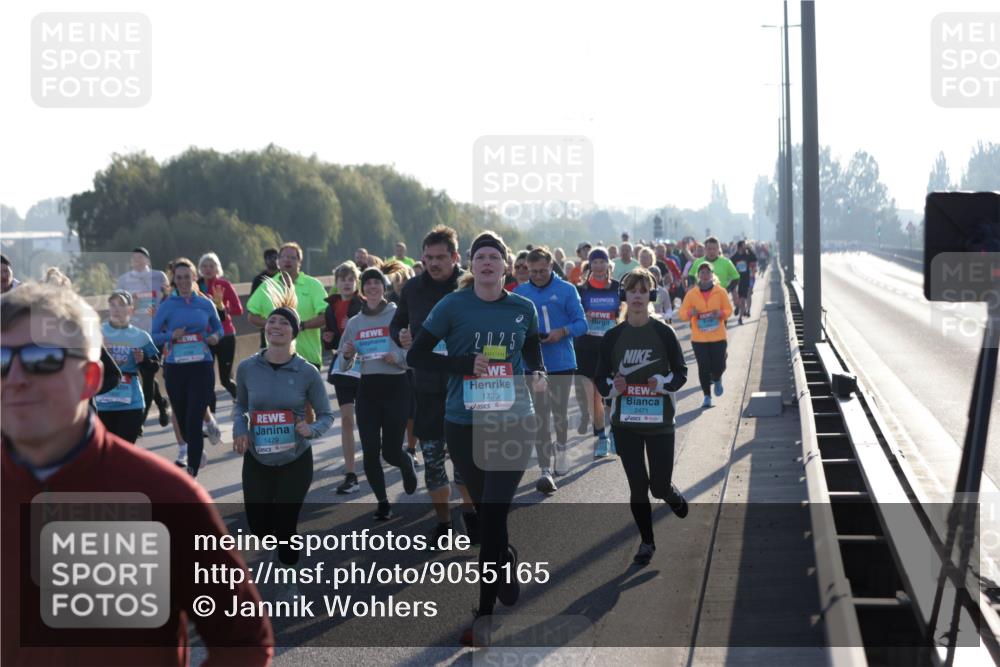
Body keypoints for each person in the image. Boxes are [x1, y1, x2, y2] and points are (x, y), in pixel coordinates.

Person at [1, 282, 273, 665]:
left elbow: (242, 641)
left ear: (90, 379)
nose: (14, 378)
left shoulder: (165, 497)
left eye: (40, 359)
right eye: (0, 360)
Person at [408, 231, 546, 647]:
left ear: (507, 265)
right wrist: (464, 364)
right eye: (480, 257)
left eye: (494, 257)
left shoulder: (523, 307)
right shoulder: (453, 305)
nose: (487, 263)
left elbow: (532, 348)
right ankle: (503, 558)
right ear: (471, 265)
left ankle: (483, 615)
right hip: (464, 422)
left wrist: (537, 371)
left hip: (513, 421)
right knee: (488, 519)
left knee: (495, 512)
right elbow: (417, 356)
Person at [233, 276, 334, 576]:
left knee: (286, 526)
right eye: (272, 322)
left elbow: (327, 414)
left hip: (295, 459)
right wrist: (240, 429)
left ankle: (290, 580)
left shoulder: (306, 372)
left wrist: (311, 430)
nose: (275, 326)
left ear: (294, 332)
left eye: (283, 323)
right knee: (260, 527)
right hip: (258, 458)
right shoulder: (248, 368)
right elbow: (240, 405)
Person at [391, 225, 479, 547]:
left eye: (441, 257)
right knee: (432, 461)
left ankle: (471, 516)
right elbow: (398, 321)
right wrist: (399, 335)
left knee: (465, 464)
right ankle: (444, 523)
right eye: (428, 257)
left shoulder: (471, 287)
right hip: (426, 387)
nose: (434, 263)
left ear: (456, 257)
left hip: (466, 388)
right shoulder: (413, 289)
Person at [594, 268, 689, 566]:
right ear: (624, 296)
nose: (637, 296)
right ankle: (647, 542)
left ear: (651, 294)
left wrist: (663, 383)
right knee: (637, 486)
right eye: (632, 291)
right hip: (626, 425)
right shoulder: (612, 336)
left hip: (660, 423)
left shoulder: (664, 332)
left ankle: (669, 493)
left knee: (657, 487)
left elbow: (681, 372)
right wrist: (613, 388)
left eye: (642, 291)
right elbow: (600, 378)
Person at [338, 268, 418, 520]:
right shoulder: (354, 323)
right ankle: (383, 502)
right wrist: (348, 354)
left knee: (390, 452)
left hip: (396, 388)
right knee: (370, 450)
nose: (373, 287)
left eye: (377, 283)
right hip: (368, 390)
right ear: (362, 289)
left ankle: (405, 463)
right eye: (368, 283)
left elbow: (413, 354)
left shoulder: (397, 315)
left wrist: (399, 358)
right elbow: (342, 364)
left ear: (384, 287)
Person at [514, 246, 587, 492]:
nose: (537, 275)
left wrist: (562, 331)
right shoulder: (520, 293)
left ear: (551, 267)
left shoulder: (567, 289)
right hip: (533, 364)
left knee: (559, 413)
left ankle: (563, 450)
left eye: (542, 270)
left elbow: (582, 323)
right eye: (532, 271)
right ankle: (545, 469)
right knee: (540, 417)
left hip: (562, 362)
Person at [151, 257, 224, 476]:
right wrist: (170, 335)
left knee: (194, 417)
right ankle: (195, 447)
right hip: (176, 367)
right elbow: (154, 336)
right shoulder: (167, 306)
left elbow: (218, 329)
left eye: (187, 277)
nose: (183, 281)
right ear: (174, 280)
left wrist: (213, 338)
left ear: (194, 277)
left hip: (201, 366)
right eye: (179, 278)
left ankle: (192, 469)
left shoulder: (205, 302)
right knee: (182, 419)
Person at [247, 243, 329, 378]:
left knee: (307, 399)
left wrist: (302, 326)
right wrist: (273, 325)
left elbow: (326, 315)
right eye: (283, 257)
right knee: (279, 399)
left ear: (299, 262)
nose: (287, 260)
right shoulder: (268, 285)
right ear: (278, 261)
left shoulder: (313, 285)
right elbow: (251, 315)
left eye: (292, 257)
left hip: (308, 358)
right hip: (276, 358)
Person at [573, 247, 623, 458]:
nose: (599, 266)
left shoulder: (617, 287)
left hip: (610, 346)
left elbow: (624, 313)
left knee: (610, 394)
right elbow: (573, 316)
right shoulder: (580, 289)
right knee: (592, 395)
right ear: (589, 265)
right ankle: (602, 437)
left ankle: (612, 433)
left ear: (608, 265)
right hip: (586, 347)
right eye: (595, 262)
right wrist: (585, 314)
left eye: (602, 261)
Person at [115, 246, 171, 428]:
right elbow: (117, 306)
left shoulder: (159, 276)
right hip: (133, 334)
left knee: (148, 374)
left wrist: (161, 312)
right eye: (134, 259)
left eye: (141, 258)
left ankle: (140, 420)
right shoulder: (123, 280)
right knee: (146, 374)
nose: (137, 261)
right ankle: (161, 405)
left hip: (154, 334)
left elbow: (168, 299)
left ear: (148, 260)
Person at [96, 290, 161, 443]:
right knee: (106, 455)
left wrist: (144, 360)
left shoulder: (140, 336)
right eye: (113, 305)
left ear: (131, 309)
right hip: (103, 404)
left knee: (124, 452)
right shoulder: (97, 332)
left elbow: (155, 366)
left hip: (131, 403)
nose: (116, 309)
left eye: (121, 305)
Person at [323, 261, 365, 495]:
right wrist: (327, 339)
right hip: (343, 367)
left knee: (368, 420)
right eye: (343, 279)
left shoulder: (365, 303)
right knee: (347, 420)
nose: (347, 283)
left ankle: (373, 458)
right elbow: (331, 340)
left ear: (356, 282)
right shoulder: (331, 307)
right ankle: (351, 474)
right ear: (336, 283)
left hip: (366, 366)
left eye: (351, 279)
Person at [198, 252, 244, 443]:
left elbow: (239, 309)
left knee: (225, 379)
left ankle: (241, 401)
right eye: (205, 266)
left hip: (225, 335)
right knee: (207, 380)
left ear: (217, 268)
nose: (208, 269)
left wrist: (222, 307)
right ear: (200, 269)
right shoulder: (196, 286)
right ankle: (211, 422)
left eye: (211, 266)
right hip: (205, 338)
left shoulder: (224, 285)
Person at [678, 262, 733, 408]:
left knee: (719, 364)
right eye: (701, 272)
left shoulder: (720, 292)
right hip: (699, 338)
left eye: (707, 272)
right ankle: (707, 396)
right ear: (698, 276)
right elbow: (682, 314)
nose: (704, 274)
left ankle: (717, 378)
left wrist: (720, 313)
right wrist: (691, 313)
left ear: (712, 274)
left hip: (718, 336)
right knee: (703, 367)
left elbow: (729, 310)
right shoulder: (691, 294)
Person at [687, 236, 740, 306]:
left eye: (714, 249)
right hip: (701, 299)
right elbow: (691, 275)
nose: (712, 251)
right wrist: (691, 286)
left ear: (718, 249)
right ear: (705, 249)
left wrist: (727, 290)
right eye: (709, 249)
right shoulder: (698, 262)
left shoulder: (726, 262)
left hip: (720, 299)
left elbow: (736, 278)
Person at [251, 247, 280, 349]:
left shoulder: (285, 276)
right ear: (265, 260)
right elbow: (253, 303)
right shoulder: (259, 280)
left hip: (285, 318)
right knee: (267, 348)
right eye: (269, 258)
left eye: (275, 257)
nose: (273, 260)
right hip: (266, 322)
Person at [729, 240, 758, 324]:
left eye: (746, 246)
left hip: (746, 280)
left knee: (743, 299)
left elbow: (755, 258)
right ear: (739, 247)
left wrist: (749, 248)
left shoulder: (747, 255)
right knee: (738, 298)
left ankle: (740, 318)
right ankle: (738, 307)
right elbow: (729, 266)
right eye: (744, 245)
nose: (745, 247)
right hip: (737, 280)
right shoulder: (734, 257)